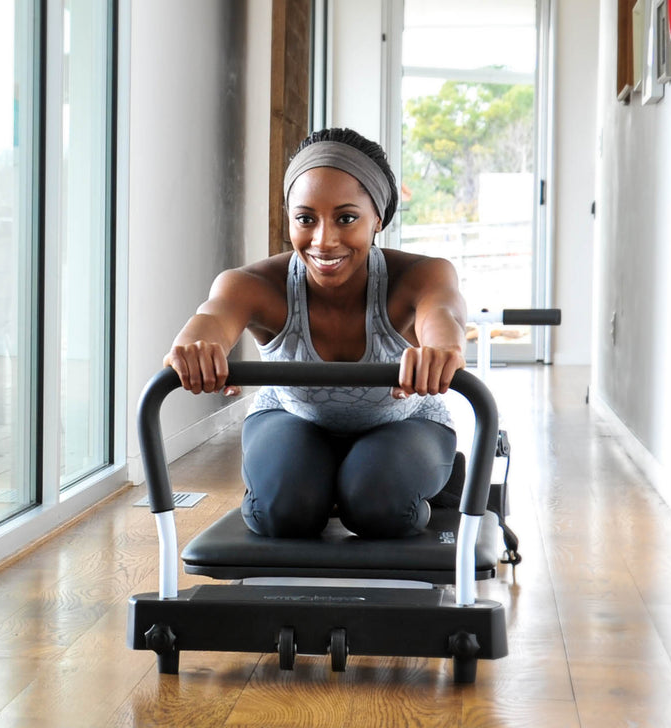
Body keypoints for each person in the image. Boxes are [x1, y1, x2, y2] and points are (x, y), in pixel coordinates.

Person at [163, 128, 467, 539]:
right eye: (306, 219)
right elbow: (212, 318)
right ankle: (318, 480)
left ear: (378, 218)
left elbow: (443, 317)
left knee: (380, 508)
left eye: (346, 218)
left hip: (402, 422)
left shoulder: (420, 275)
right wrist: (194, 347)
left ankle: (420, 480)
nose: (324, 241)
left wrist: (442, 351)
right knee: (282, 513)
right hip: (292, 417)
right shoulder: (254, 284)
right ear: (290, 218)